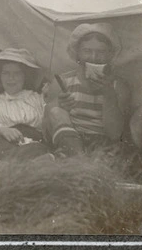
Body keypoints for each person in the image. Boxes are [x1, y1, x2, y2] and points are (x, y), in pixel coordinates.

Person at [43, 23, 135, 157]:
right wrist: (60, 106)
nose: (93, 57)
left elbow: (115, 134)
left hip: (103, 146)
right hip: (68, 140)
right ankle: (78, 157)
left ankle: (79, 160)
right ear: (77, 54)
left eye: (101, 52)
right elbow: (47, 129)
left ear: (110, 55)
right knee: (54, 110)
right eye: (87, 51)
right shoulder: (62, 82)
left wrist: (109, 94)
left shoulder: (119, 86)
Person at [0, 48, 47, 159]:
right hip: (6, 147)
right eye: (6, 73)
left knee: (38, 152)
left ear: (25, 76)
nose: (11, 78)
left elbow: (47, 125)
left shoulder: (36, 98)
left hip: (36, 144)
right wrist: (2, 129)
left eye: (17, 73)